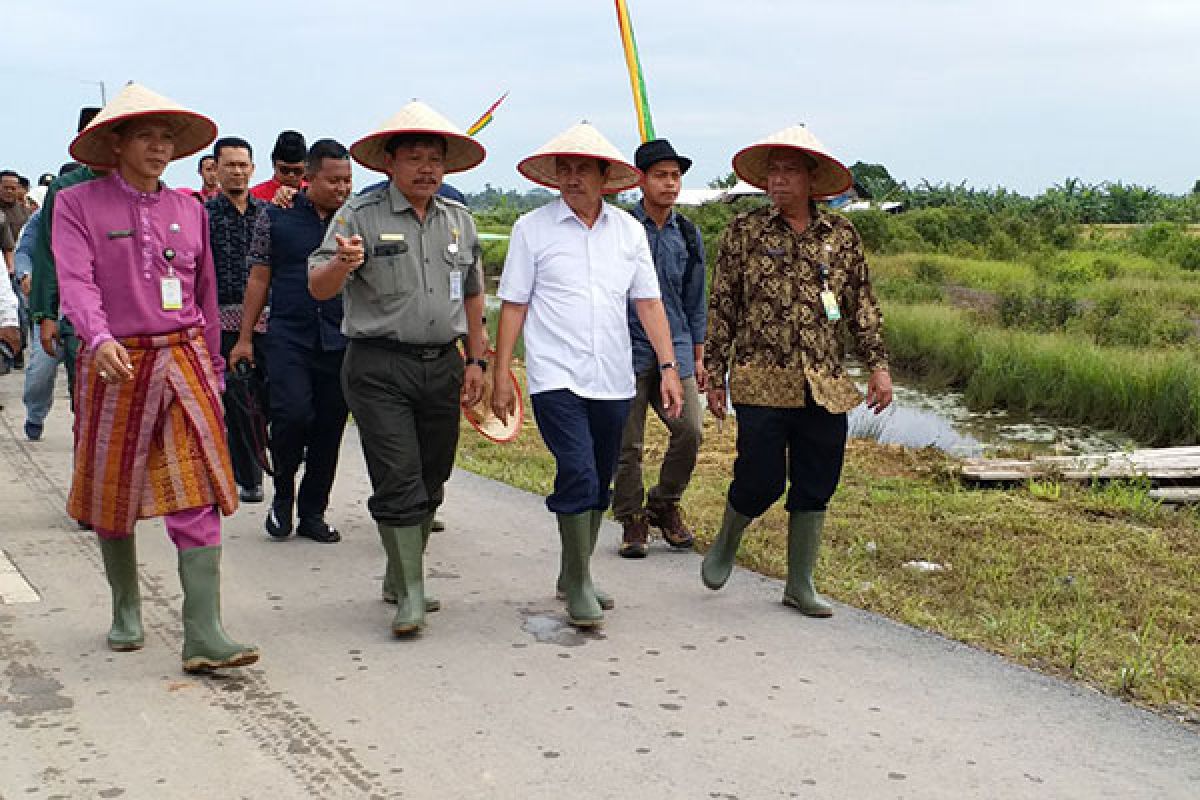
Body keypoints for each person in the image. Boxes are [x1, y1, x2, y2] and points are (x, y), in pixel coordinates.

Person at [52, 81, 257, 671]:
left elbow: (205, 292)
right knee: (111, 488)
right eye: (146, 136)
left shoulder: (188, 207)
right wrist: (98, 337)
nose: (160, 147)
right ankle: (125, 609)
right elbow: (76, 283)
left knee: (196, 488)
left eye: (168, 138)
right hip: (113, 360)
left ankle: (204, 633)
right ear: (115, 143)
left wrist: (215, 367)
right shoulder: (77, 204)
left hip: (184, 358)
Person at [491, 122, 683, 629]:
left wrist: (668, 367)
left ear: (606, 177)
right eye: (565, 170)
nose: (572, 178)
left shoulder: (627, 232)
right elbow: (513, 305)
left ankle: (572, 571)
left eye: (583, 170)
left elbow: (648, 302)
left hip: (614, 376)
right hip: (555, 375)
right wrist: (501, 371)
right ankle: (578, 585)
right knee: (576, 470)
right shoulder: (532, 229)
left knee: (599, 480)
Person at [308, 101, 487, 636]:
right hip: (378, 365)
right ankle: (412, 591)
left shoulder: (460, 220)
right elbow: (318, 285)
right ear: (390, 163)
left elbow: (475, 295)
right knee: (399, 475)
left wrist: (476, 359)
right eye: (415, 158)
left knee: (434, 477)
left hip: (444, 365)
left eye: (435, 159)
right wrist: (343, 263)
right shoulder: (359, 216)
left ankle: (397, 571)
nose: (427, 168)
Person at [700, 125, 893, 617]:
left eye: (789, 171)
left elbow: (860, 305)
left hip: (824, 382)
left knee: (817, 480)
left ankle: (799, 583)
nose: (778, 180)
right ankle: (727, 540)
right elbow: (723, 306)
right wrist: (713, 372)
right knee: (760, 477)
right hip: (761, 377)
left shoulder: (842, 237)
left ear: (813, 179)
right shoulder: (744, 232)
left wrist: (878, 367)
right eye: (773, 171)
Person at [237, 139, 352, 543]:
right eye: (333, 180)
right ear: (310, 177)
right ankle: (282, 493)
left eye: (347, 181)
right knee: (291, 416)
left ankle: (313, 512)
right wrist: (245, 338)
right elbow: (259, 277)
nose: (341, 189)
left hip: (341, 340)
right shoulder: (276, 217)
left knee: (329, 427)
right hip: (288, 335)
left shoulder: (354, 220)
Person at [612, 139, 707, 558]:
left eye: (676, 176)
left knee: (690, 430)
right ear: (640, 181)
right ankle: (632, 518)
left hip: (678, 346)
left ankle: (664, 503)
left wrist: (700, 355)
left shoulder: (687, 233)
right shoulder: (620, 229)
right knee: (627, 443)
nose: (670, 184)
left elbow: (695, 297)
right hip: (626, 347)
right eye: (661, 176)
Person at [206, 136, 269, 502]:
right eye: (229, 165)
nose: (237, 172)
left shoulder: (266, 213)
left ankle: (254, 459)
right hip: (220, 322)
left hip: (268, 321)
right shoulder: (203, 216)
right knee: (239, 399)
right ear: (215, 169)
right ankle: (249, 476)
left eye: (243, 165)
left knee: (269, 398)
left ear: (252, 169)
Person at [250, 130, 306, 202]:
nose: (291, 175)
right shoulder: (254, 196)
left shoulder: (315, 195)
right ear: (274, 164)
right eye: (285, 170)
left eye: (297, 171)